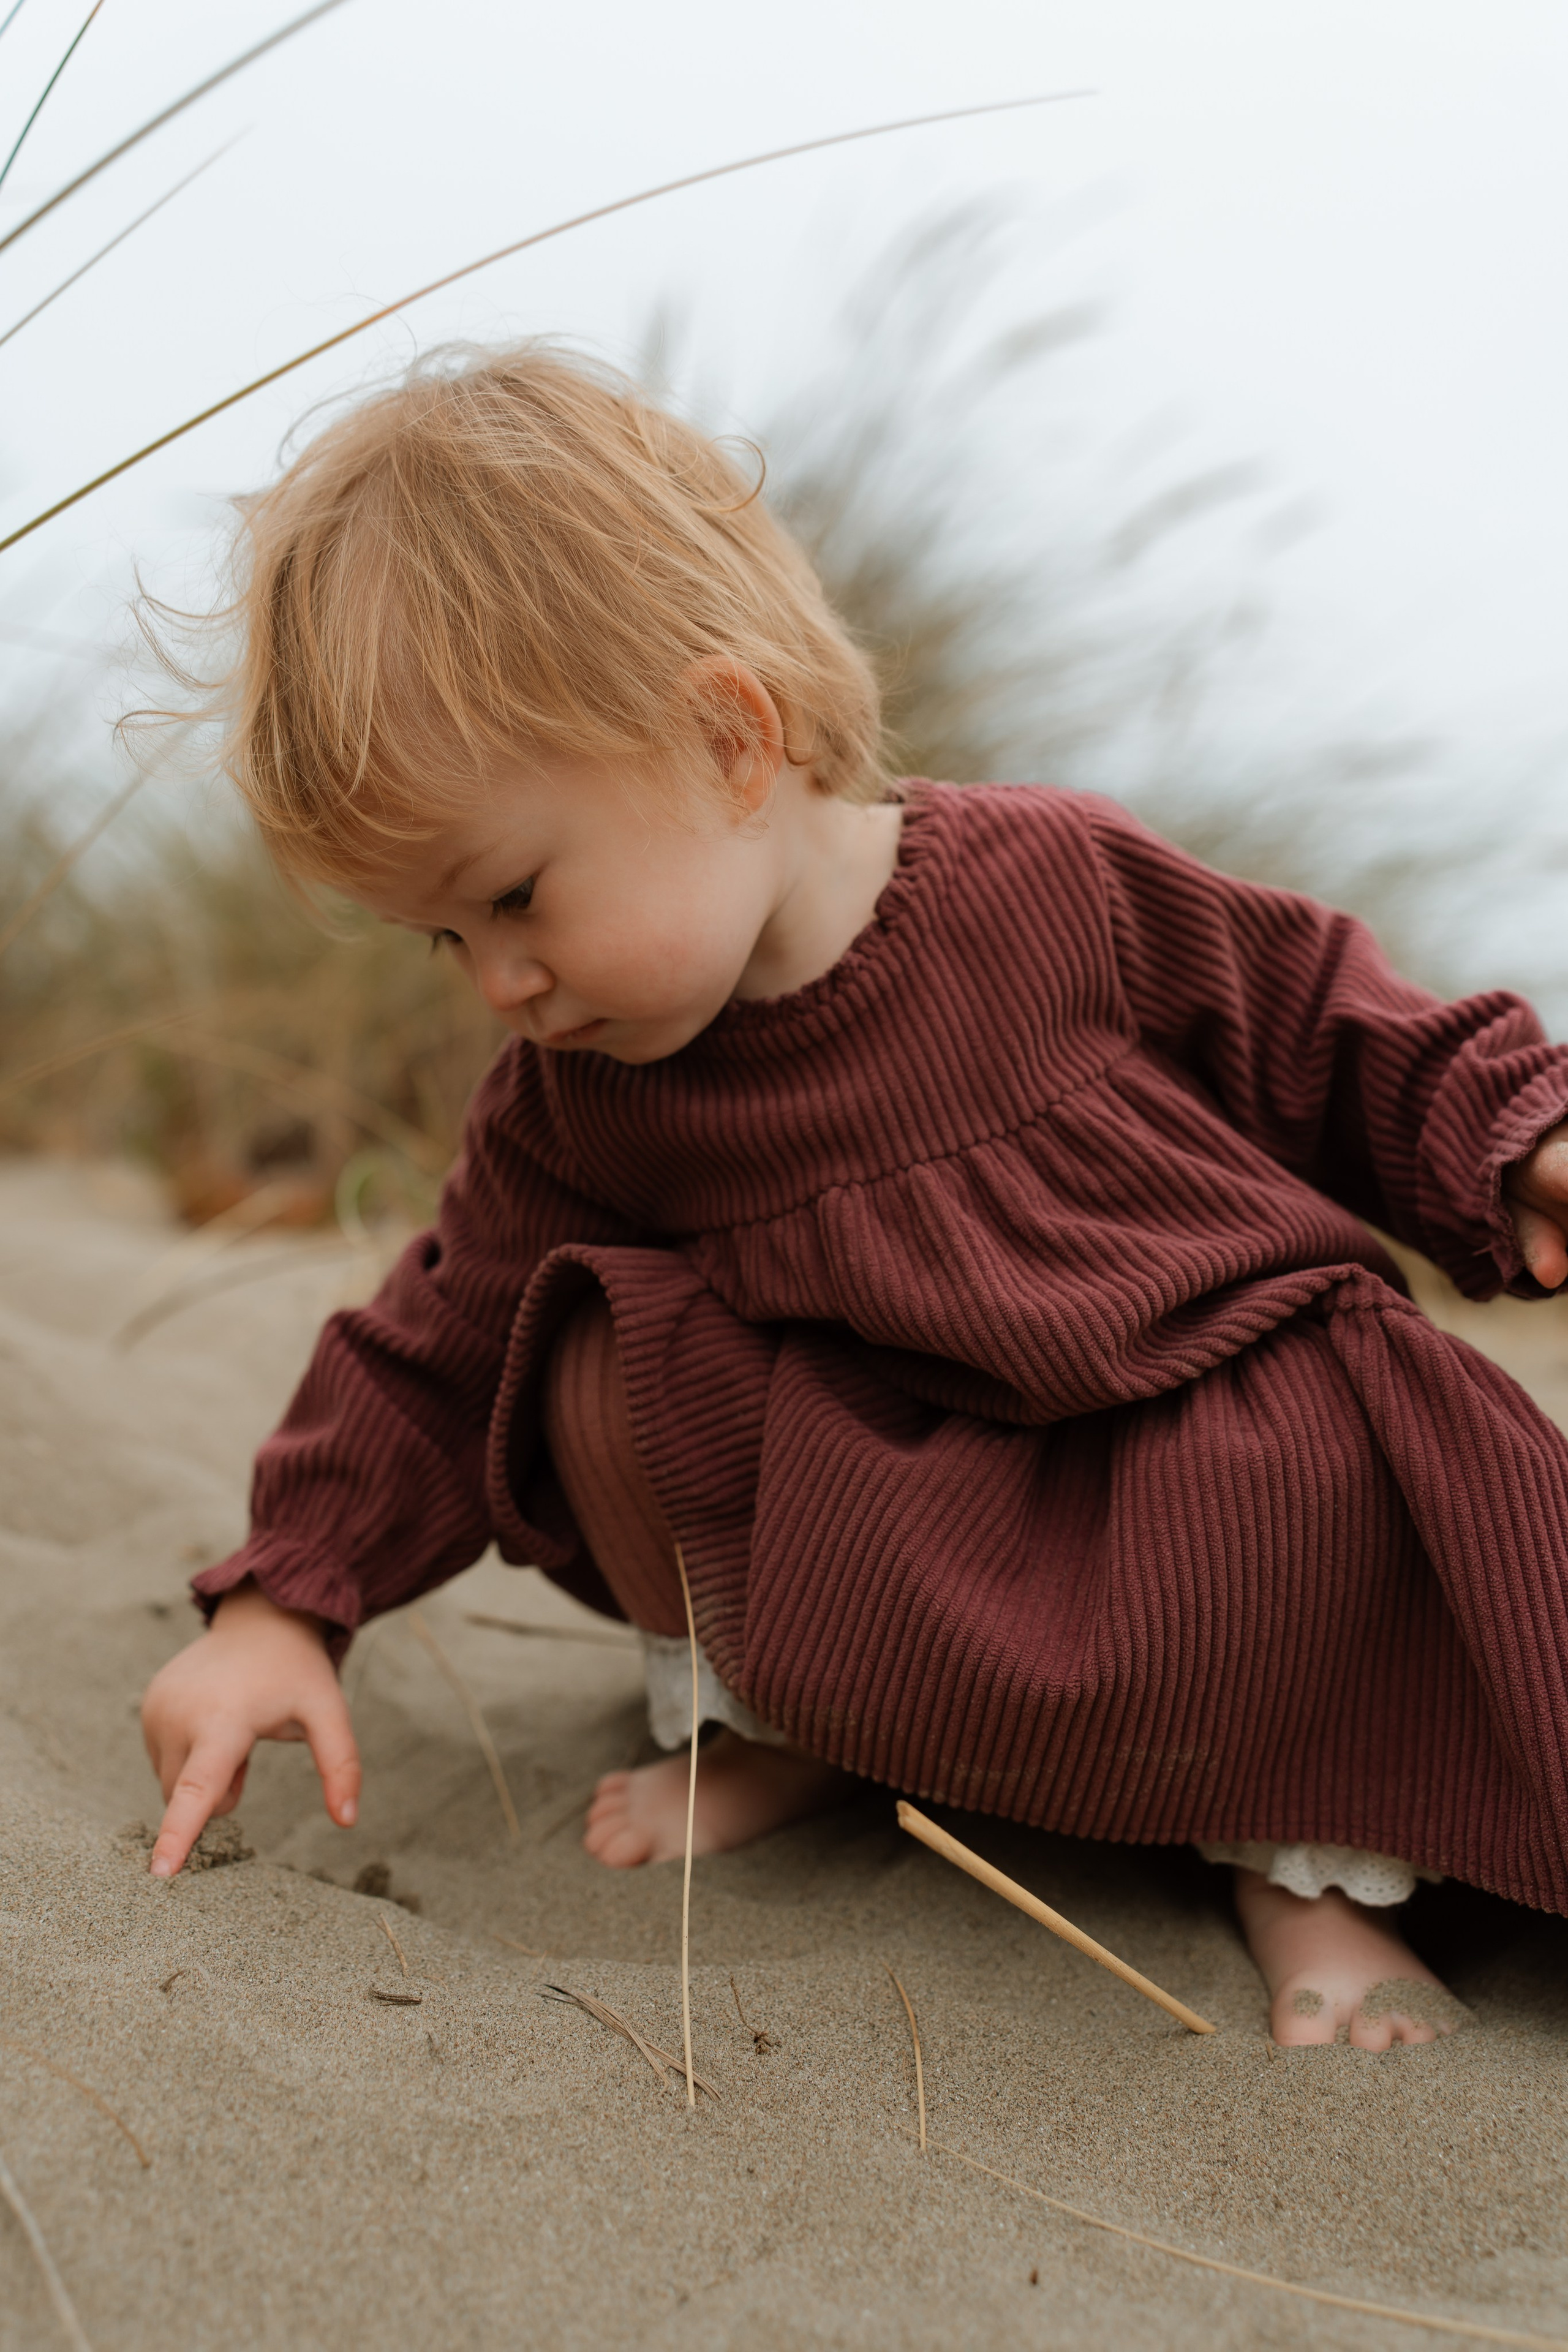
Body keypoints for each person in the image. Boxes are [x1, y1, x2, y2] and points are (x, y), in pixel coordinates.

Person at [140, 344, 1568, 2052]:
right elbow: (433, 1342)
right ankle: (794, 1728)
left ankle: (1308, 1866)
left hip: (1181, 1468)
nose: (498, 983)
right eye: (444, 939)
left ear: (730, 740)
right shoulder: (580, 1096)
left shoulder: (1057, 886)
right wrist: (281, 1601)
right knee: (582, 1349)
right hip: (892, 1542)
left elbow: (1326, 1026)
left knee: (1320, 1456)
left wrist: (1521, 1139)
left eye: (514, 896)